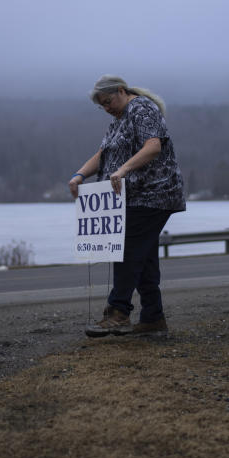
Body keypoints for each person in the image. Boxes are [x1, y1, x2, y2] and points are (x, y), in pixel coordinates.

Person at [69, 75, 186, 336]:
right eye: (102, 106)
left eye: (108, 101)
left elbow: (153, 147)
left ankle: (119, 312)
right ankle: (153, 318)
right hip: (131, 197)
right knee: (142, 256)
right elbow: (103, 155)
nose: (107, 108)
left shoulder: (142, 108)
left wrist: (122, 170)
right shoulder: (118, 122)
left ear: (121, 91)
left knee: (128, 249)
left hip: (155, 193)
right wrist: (79, 175)